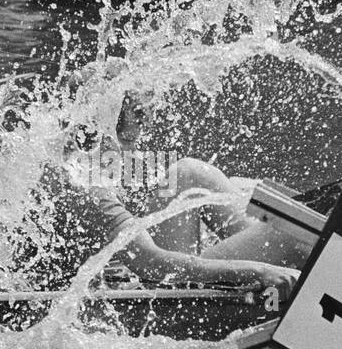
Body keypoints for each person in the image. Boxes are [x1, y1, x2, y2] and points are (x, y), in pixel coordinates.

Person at [16, 97, 307, 294]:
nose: (146, 131)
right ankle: (293, 253)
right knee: (289, 237)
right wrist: (260, 272)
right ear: (101, 134)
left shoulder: (83, 166)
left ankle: (289, 247)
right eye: (139, 120)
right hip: (160, 286)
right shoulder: (89, 189)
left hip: (138, 272)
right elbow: (154, 264)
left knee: (192, 172)